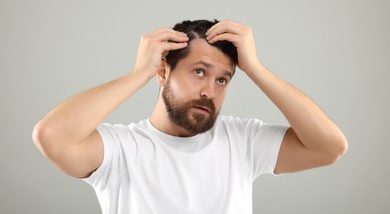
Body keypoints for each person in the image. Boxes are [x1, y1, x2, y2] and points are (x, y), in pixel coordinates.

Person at [33, 19, 348, 214]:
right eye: (199, 72)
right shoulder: (121, 149)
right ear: (163, 72)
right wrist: (138, 73)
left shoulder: (242, 141)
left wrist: (257, 69)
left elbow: (329, 147)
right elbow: (52, 136)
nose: (210, 91)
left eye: (222, 79)